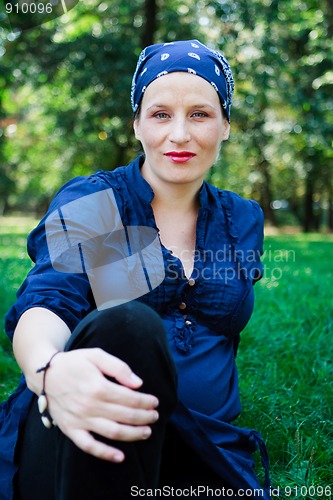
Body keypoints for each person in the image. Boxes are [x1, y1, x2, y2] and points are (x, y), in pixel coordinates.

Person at [0, 40, 271, 499]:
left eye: (200, 114)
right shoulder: (96, 200)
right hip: (89, 428)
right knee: (130, 322)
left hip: (204, 446)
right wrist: (48, 370)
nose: (180, 135)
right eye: (161, 114)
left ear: (225, 125)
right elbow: (48, 300)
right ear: (138, 124)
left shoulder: (241, 219)